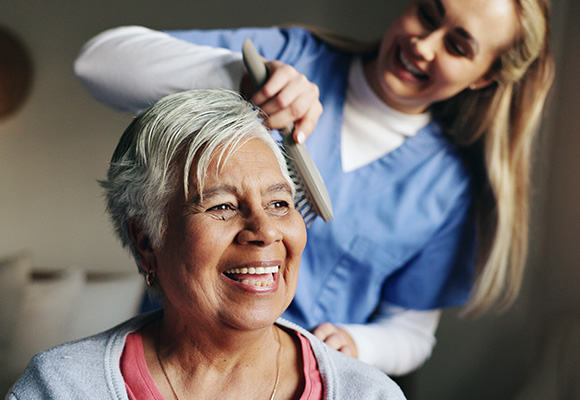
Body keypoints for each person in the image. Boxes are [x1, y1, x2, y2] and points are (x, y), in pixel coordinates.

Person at [73, 0, 555, 375]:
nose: (424, 44)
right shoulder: (290, 59)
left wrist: (358, 344)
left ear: (486, 76)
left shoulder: (447, 188)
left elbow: (411, 331)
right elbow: (97, 64)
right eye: (428, 13)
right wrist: (235, 79)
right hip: (174, 360)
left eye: (458, 46)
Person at [6, 89, 406, 400]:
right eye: (223, 206)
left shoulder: (368, 393)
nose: (265, 231)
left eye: (279, 203)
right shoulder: (63, 387)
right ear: (147, 241)